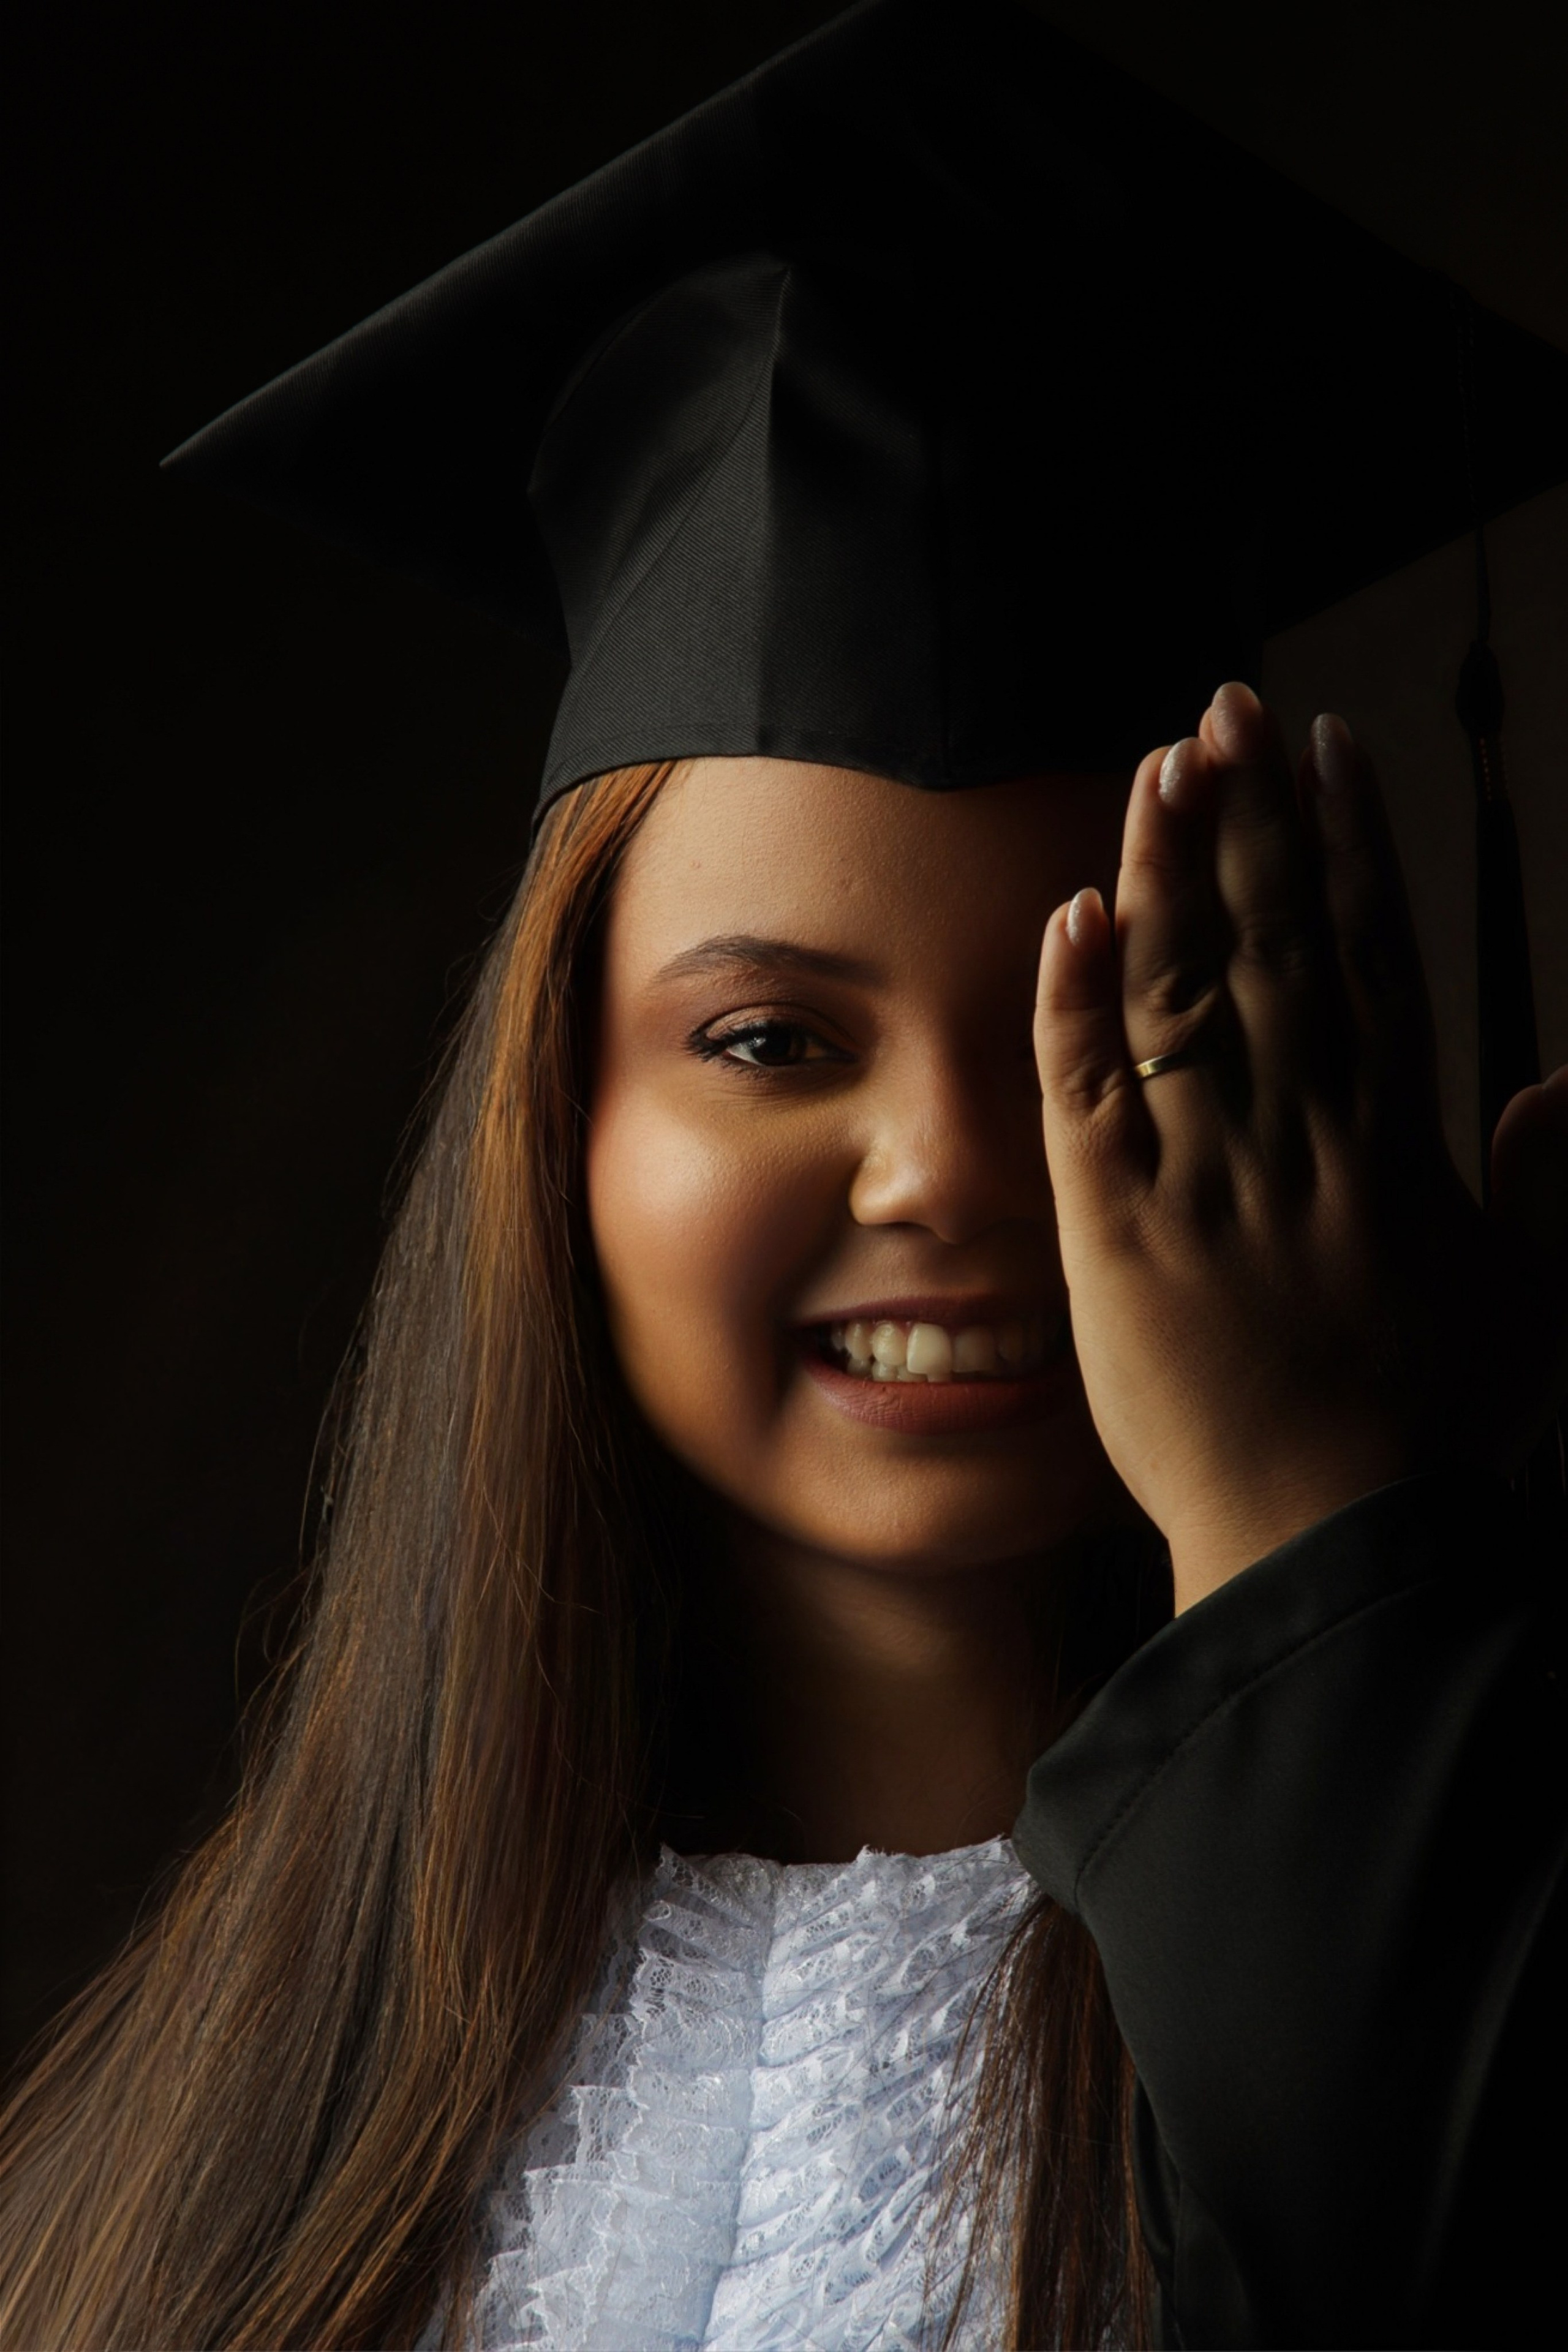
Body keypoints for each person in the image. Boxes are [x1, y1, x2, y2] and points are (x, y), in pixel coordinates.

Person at [2, 2, 1564, 2346]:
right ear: (564, 1128)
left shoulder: (1472, 1988)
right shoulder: (239, 2122)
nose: (946, 1162)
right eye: (768, 1040)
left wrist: (1327, 1560)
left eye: (1098, 1020)